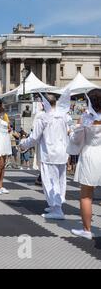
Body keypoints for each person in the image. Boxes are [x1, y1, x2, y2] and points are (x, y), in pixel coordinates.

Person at [20, 92, 70, 220]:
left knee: (50, 181)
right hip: (62, 153)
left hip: (50, 153)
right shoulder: (63, 116)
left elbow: (34, 137)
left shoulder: (44, 117)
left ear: (44, 103)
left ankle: (57, 209)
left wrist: (23, 144)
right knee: (60, 180)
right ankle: (56, 205)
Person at [69, 89, 101, 239]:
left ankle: (87, 229)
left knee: (86, 195)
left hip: (90, 154)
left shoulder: (86, 118)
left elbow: (76, 140)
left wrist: (73, 131)